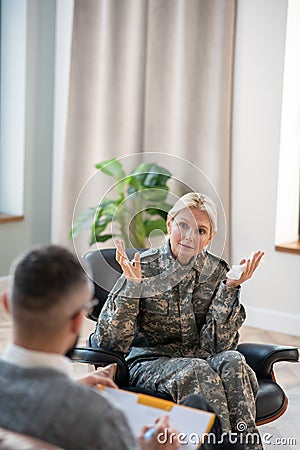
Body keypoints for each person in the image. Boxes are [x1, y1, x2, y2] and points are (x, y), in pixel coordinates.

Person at [94, 192, 265, 450]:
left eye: (200, 230)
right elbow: (109, 341)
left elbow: (218, 347)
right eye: (182, 225)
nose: (189, 236)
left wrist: (229, 288)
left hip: (199, 356)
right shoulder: (142, 267)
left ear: (209, 238)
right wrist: (132, 286)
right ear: (169, 224)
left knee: (234, 361)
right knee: (196, 371)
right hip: (150, 361)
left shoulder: (217, 271)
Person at [0, 244, 181, 450]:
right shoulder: (99, 417)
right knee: (197, 407)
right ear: (78, 320)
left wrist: (73, 385)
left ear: (6, 305)